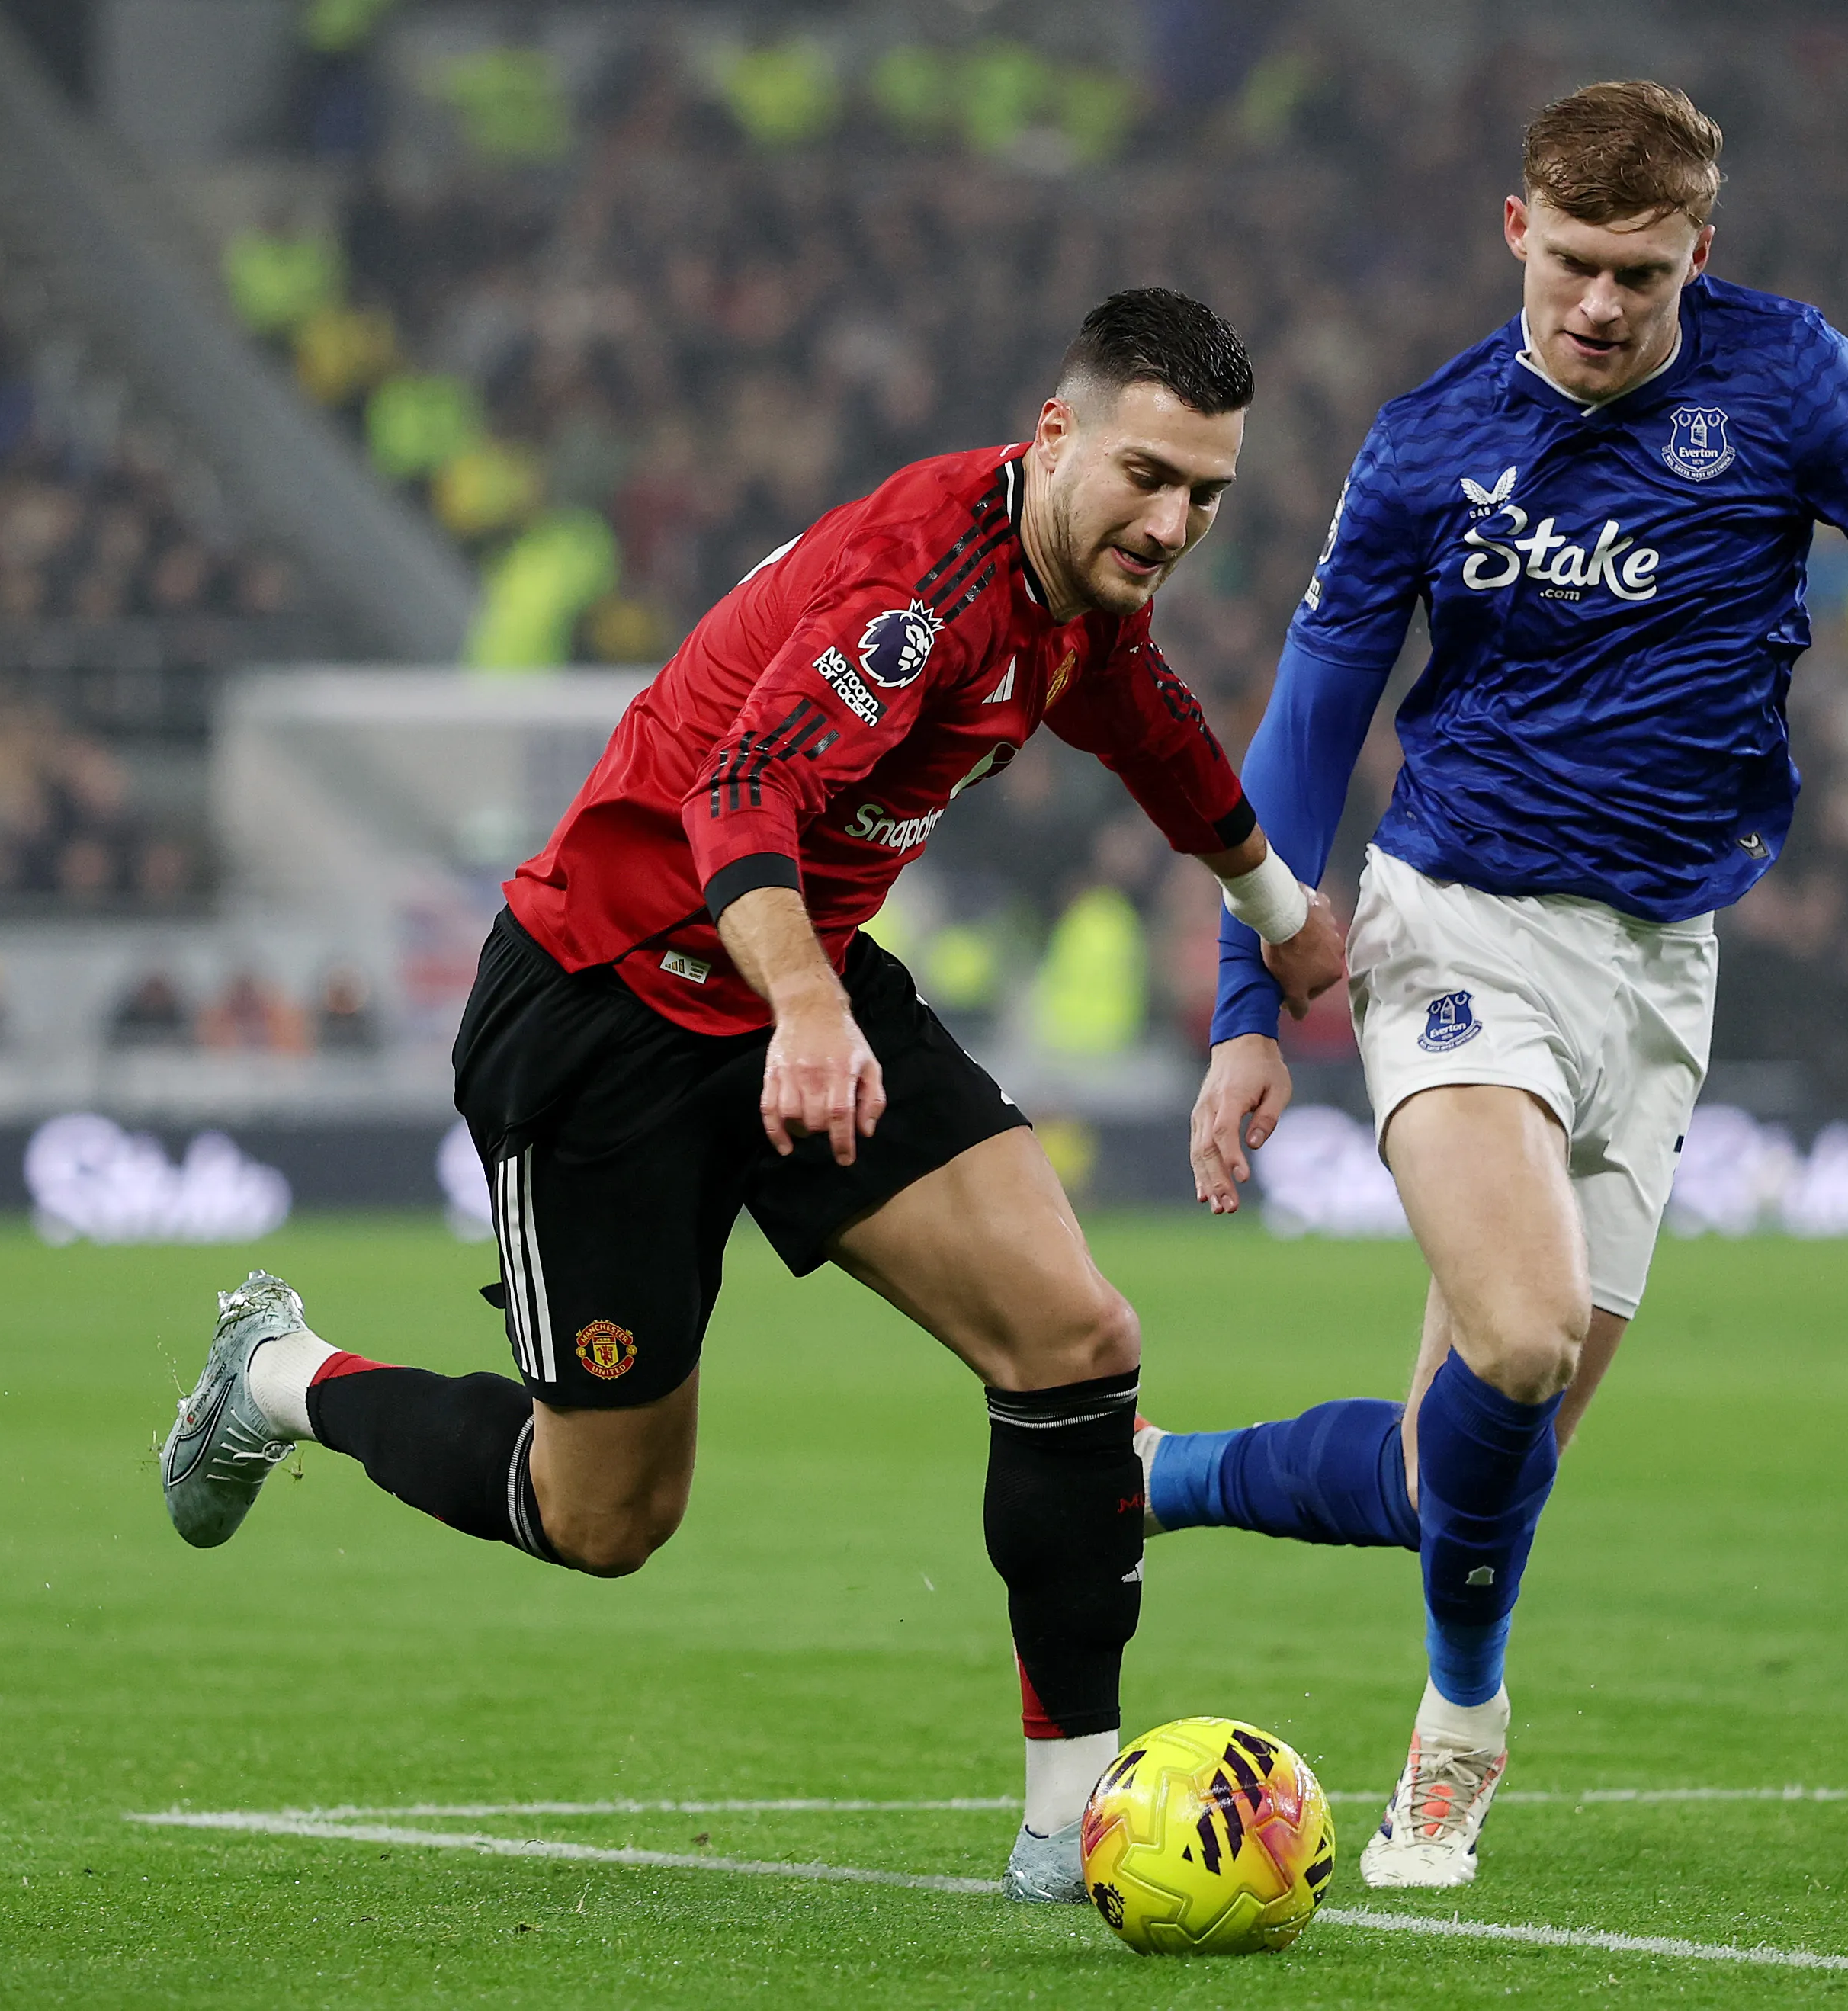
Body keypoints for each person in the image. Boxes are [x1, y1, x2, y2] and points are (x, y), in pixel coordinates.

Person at [158, 291, 1345, 1901]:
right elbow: (738, 787)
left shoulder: (1072, 591)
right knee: (606, 1517)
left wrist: (1274, 906)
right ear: (1053, 433)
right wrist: (799, 1007)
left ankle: (1070, 1822)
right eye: (1146, 474)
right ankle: (284, 1371)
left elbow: (1138, 716)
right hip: (608, 1009)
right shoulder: (920, 592)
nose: (1171, 520)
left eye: (1204, 493)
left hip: (804, 982)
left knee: (1076, 1337)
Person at [1161, 82, 1848, 1888]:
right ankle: (1460, 1728)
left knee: (1456, 1462)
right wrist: (1251, 1015)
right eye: (1571, 263)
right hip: (1452, 924)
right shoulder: (1423, 444)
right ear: (1515, 233)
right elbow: (1311, 724)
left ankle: (1148, 1473)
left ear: (1697, 252)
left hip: (1661, 970)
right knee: (1526, 1328)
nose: (1600, 306)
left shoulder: (1790, 384)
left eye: (1640, 272)